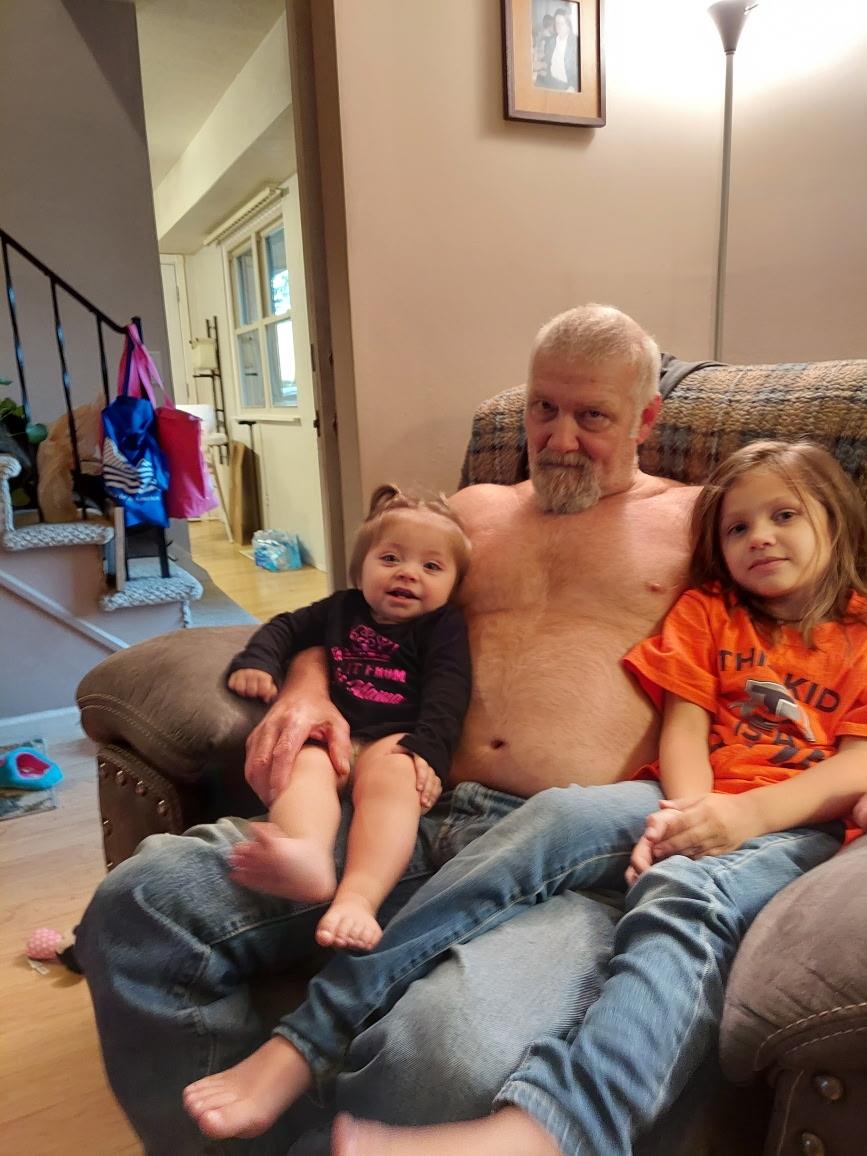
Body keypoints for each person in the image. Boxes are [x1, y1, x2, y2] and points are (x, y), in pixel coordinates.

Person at [76, 303, 698, 1155]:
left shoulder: (704, 525)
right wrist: (305, 686)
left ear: (647, 418)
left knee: (437, 1056)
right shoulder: (470, 516)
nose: (558, 439)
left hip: (562, 864)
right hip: (399, 806)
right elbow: (347, 618)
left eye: (593, 416)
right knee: (139, 906)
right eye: (542, 408)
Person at [183, 441, 866, 1153]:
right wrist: (684, 816)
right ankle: (307, 1039)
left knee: (683, 898)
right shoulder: (707, 611)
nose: (758, 536)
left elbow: (855, 769)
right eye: (735, 527)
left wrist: (734, 822)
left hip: (793, 828)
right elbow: (683, 729)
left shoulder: (859, 630)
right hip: (682, 800)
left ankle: (556, 1127)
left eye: (783, 515)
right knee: (556, 814)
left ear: (836, 521)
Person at [224, 483, 471, 952]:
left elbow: (449, 692)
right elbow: (284, 627)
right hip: (332, 731)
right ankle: (309, 856)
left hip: (391, 737)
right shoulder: (341, 608)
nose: (408, 574)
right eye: (391, 558)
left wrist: (429, 752)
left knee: (397, 778)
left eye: (432, 566)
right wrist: (257, 662)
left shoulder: (444, 627)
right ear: (360, 569)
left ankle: (358, 898)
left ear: (454, 585)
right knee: (302, 763)